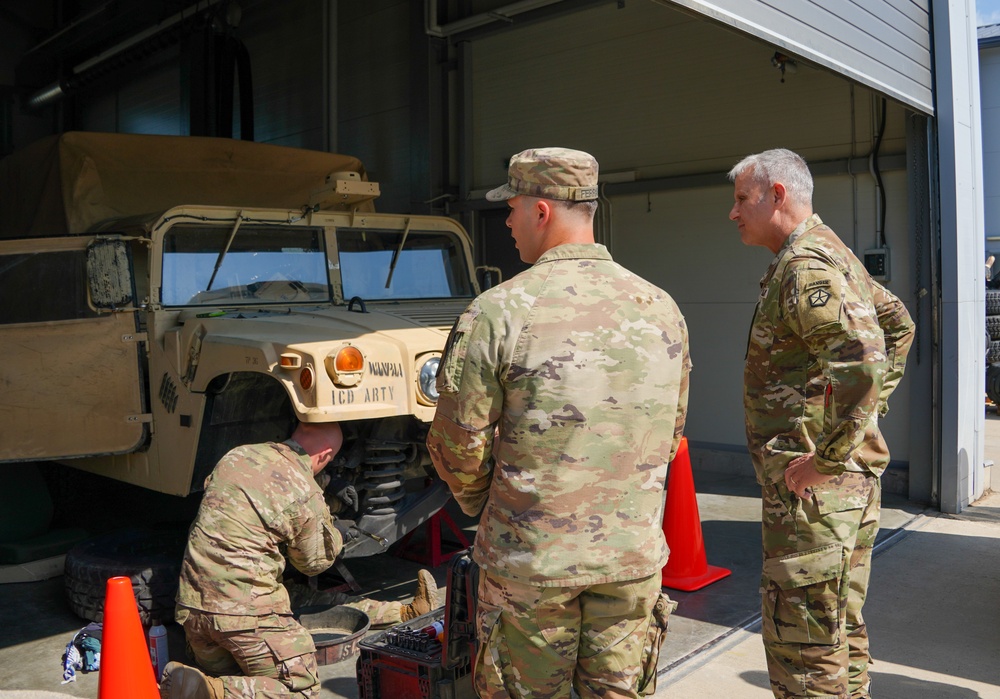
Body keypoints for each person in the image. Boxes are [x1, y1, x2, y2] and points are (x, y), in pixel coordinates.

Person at [427, 147, 691, 698]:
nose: (507, 221)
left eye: (512, 207)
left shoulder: (498, 311)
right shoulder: (662, 306)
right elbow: (670, 434)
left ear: (541, 210)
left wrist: (487, 505)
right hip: (629, 560)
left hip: (531, 567)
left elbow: (457, 447)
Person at [728, 148, 915, 699]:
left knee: (806, 646)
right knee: (837, 625)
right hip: (840, 487)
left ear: (777, 194)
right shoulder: (830, 253)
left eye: (742, 199)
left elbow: (862, 356)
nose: (733, 213)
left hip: (814, 493)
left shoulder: (805, 266)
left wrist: (828, 457)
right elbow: (895, 323)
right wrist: (862, 424)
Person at [159, 421, 438, 699]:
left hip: (193, 613)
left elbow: (267, 486)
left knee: (301, 599)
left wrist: (328, 483)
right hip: (244, 617)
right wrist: (335, 530)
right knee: (300, 689)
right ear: (326, 456)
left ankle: (401, 614)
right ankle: (211, 691)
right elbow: (314, 563)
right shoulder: (305, 490)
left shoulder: (237, 456)